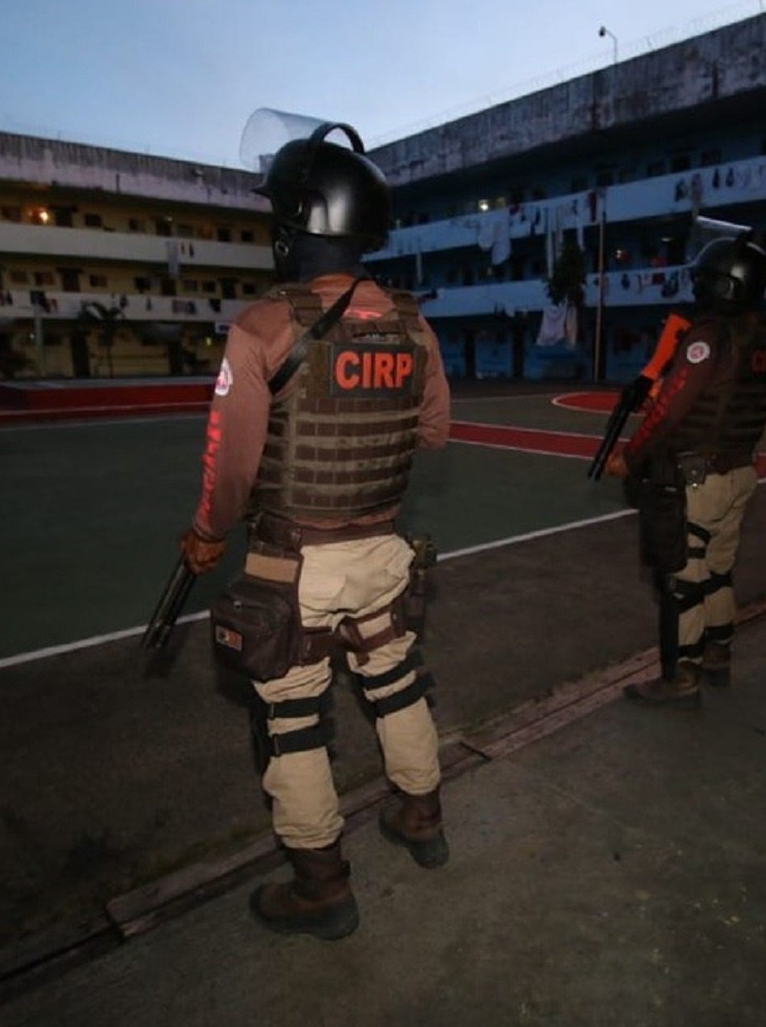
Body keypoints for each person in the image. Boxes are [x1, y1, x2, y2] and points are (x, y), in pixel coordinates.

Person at [178, 120, 451, 940]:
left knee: (291, 717)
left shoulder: (263, 326)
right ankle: (422, 816)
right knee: (396, 681)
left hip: (295, 560)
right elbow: (433, 432)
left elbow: (230, 464)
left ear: (297, 222)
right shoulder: (411, 322)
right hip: (385, 552)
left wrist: (204, 534)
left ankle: (323, 884)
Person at [605, 236, 766, 707]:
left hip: (698, 478)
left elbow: (669, 411)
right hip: (740, 470)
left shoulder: (709, 336)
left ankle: (681, 679)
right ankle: (719, 653)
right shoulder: (763, 333)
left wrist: (631, 455)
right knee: (719, 573)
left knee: (682, 581)